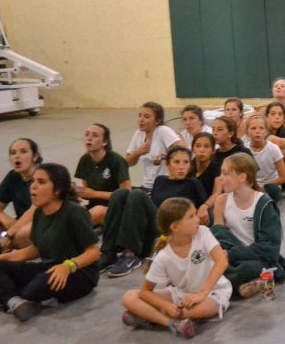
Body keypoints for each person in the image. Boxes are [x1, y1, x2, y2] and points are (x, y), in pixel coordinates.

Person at [0, 163, 100, 322]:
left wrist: (68, 266)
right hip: (50, 266)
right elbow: (34, 250)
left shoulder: (74, 212)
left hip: (80, 273)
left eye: (41, 182)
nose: (33, 187)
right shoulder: (39, 212)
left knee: (35, 287)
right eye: (33, 182)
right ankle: (16, 302)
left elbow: (94, 252)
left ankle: (8, 294)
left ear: (57, 190)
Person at [120, 197, 230, 338]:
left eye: (196, 214)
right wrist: (166, 306)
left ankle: (149, 316)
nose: (197, 219)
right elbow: (145, 292)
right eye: (191, 216)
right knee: (129, 297)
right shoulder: (163, 256)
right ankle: (171, 323)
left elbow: (222, 261)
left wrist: (201, 294)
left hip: (213, 291)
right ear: (175, 227)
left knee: (209, 307)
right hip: (181, 295)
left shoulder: (203, 233)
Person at [102, 147, 207, 279]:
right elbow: (151, 207)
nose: (182, 167)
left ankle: (131, 254)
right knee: (120, 193)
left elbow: (204, 207)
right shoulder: (160, 180)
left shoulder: (193, 183)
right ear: (168, 165)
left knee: (138, 194)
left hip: (170, 231)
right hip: (152, 230)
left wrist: (205, 206)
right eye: (177, 162)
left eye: (186, 162)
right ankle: (108, 253)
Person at [211, 153, 285, 299]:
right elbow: (219, 237)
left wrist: (231, 254)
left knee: (247, 268)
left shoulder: (264, 204)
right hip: (232, 258)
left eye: (226, 173)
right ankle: (245, 285)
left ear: (242, 177)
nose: (220, 178)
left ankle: (226, 286)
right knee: (209, 265)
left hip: (257, 258)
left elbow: (269, 249)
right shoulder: (221, 201)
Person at [74, 124, 131, 225]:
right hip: (94, 205)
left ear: (105, 142)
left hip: (116, 207)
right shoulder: (84, 160)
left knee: (97, 212)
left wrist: (95, 194)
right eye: (87, 134)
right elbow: (88, 193)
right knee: (71, 211)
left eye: (95, 135)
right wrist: (76, 192)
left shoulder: (116, 160)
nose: (89, 138)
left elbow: (126, 194)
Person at [125, 102, 185, 192]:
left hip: (165, 185)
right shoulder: (138, 133)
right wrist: (138, 152)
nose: (141, 120)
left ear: (157, 121)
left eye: (146, 117)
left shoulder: (163, 131)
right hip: (147, 186)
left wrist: (165, 156)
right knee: (122, 193)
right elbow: (127, 163)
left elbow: (184, 151)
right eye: (140, 115)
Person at [0, 139, 41, 253]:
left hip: (43, 224)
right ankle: (2, 249)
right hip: (18, 225)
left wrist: (9, 234)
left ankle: (2, 249)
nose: (17, 156)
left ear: (35, 156)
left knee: (25, 232)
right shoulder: (13, 176)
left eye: (23, 151)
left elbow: (34, 211)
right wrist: (4, 218)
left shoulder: (43, 176)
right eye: (13, 153)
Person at [245, 115, 285, 203]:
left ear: (266, 132)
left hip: (270, 186)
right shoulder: (244, 149)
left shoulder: (273, 148)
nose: (257, 131)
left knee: (272, 191)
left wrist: (264, 186)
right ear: (247, 132)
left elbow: (283, 177)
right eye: (253, 128)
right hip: (252, 185)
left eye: (261, 128)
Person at [189, 132, 222, 201]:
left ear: (213, 151)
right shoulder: (187, 167)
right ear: (192, 149)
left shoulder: (217, 170)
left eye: (206, 146)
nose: (202, 150)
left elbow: (216, 194)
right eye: (198, 146)